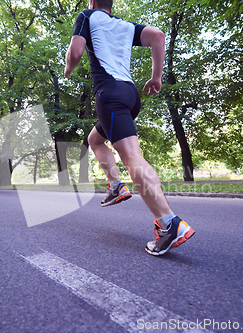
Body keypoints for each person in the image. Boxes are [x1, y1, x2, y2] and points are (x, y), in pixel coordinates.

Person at [64, 0, 195, 256]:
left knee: (132, 158)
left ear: (92, 2)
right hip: (130, 95)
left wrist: (68, 67)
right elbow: (157, 36)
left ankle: (169, 223)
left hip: (109, 93)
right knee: (95, 140)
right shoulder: (124, 26)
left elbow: (76, 52)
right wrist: (156, 77)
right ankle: (116, 186)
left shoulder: (87, 16)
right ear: (111, 4)